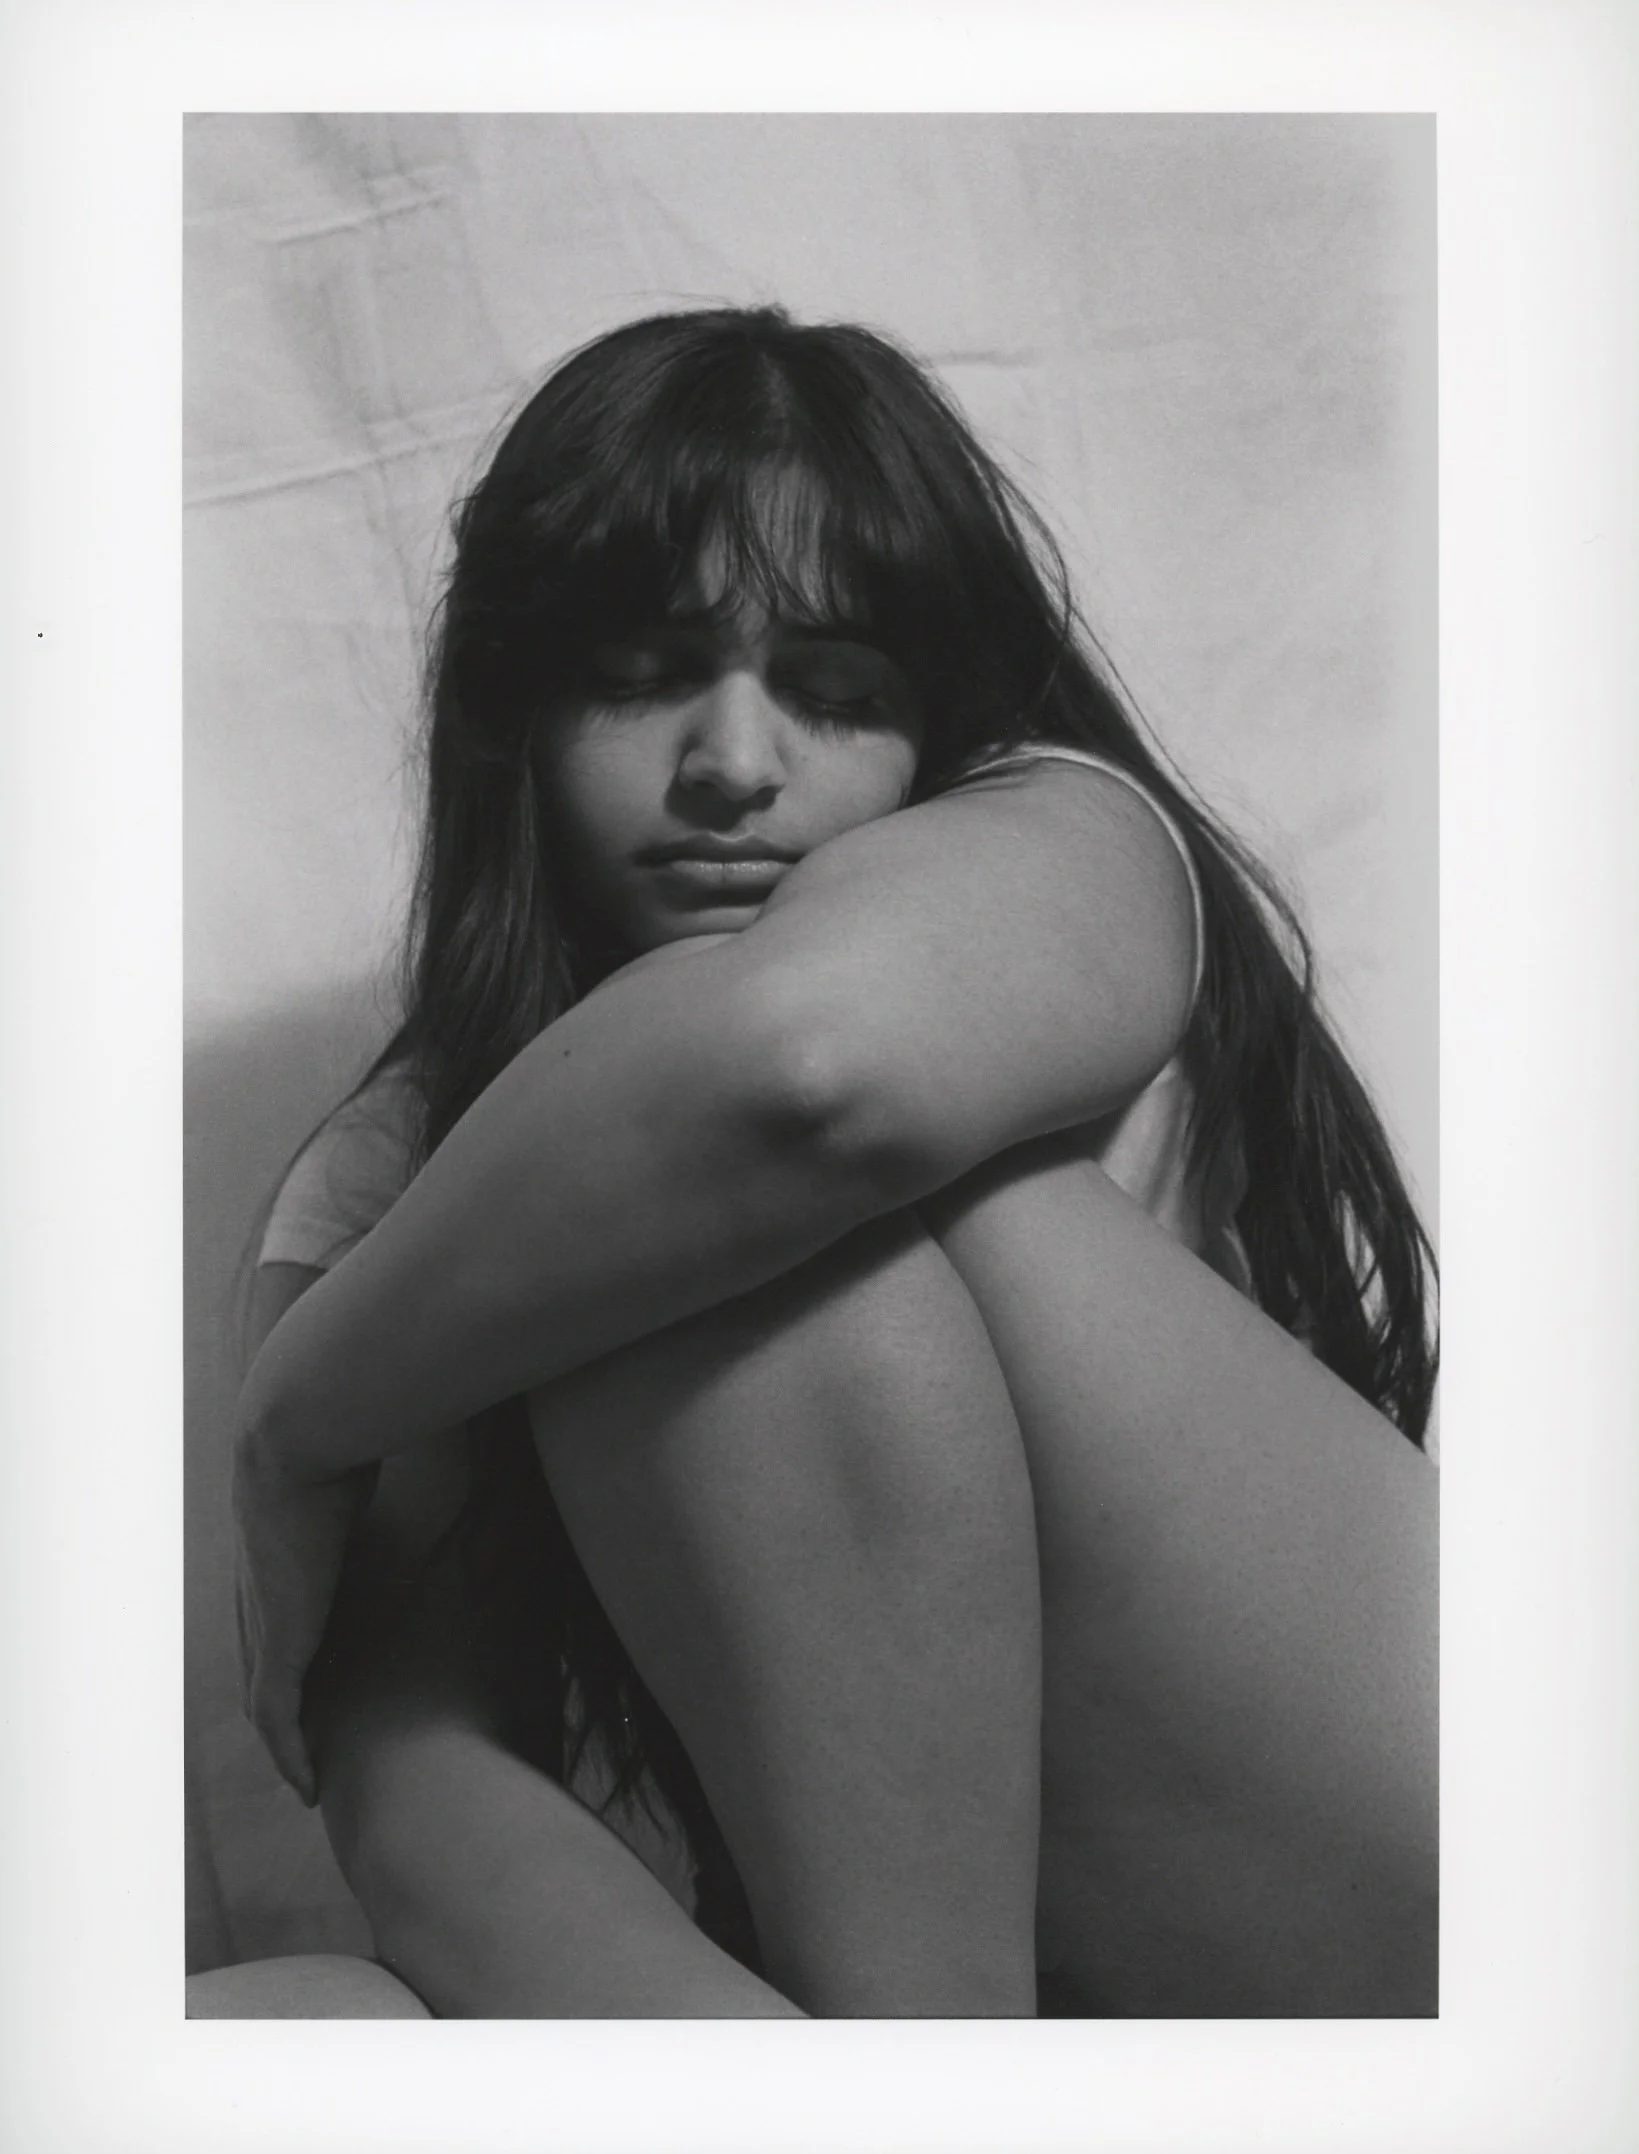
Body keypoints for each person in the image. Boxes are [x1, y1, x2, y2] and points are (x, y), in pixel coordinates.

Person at [214, 306, 1437, 2020]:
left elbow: (801, 1079)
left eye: (834, 691)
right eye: (635, 678)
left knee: (713, 1206)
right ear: (518, 718)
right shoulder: (391, 1164)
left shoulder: (1066, 846)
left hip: (1421, 1893)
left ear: (938, 728)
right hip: (923, 2012)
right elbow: (412, 1783)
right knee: (270, 2026)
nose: (731, 764)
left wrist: (292, 1423)